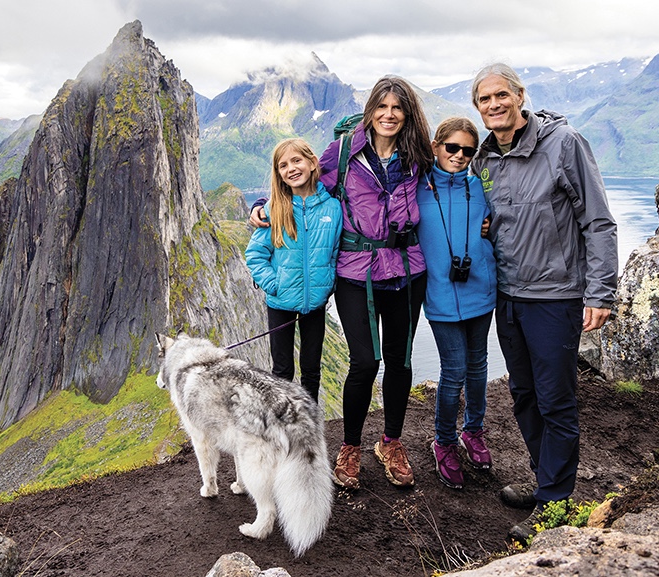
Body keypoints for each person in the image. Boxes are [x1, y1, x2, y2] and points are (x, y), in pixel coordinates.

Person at [251, 76, 432, 490]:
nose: (389, 115)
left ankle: (391, 441)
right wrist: (263, 205)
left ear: (407, 114)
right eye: (382, 107)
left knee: (400, 363)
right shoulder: (344, 152)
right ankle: (350, 446)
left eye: (397, 108)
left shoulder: (417, 155)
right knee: (365, 362)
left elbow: (451, 185)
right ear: (371, 110)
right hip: (356, 273)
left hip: (406, 269)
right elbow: (301, 186)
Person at [469, 63, 618, 541]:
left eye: (500, 95)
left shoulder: (563, 144)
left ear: (519, 95)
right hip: (508, 297)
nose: (492, 105)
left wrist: (600, 291)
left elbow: (598, 222)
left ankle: (555, 505)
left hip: (555, 296)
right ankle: (546, 482)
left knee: (556, 400)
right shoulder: (486, 158)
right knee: (524, 394)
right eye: (483, 100)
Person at [416, 117, 497, 490]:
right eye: (452, 148)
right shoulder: (416, 189)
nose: (460, 156)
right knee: (455, 371)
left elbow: (503, 219)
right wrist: (263, 206)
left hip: (480, 290)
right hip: (441, 295)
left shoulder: (480, 187)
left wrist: (491, 227)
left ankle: (473, 431)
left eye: (468, 150)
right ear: (436, 146)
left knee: (478, 366)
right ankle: (444, 441)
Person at [245, 138, 342, 403]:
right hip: (280, 303)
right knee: (282, 370)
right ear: (279, 174)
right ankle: (283, 427)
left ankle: (308, 425)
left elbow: (334, 252)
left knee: (311, 370)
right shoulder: (274, 210)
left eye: (296, 160)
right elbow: (255, 255)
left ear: (312, 163)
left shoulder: (332, 209)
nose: (291, 168)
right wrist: (275, 285)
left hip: (316, 303)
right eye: (283, 165)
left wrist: (328, 282)